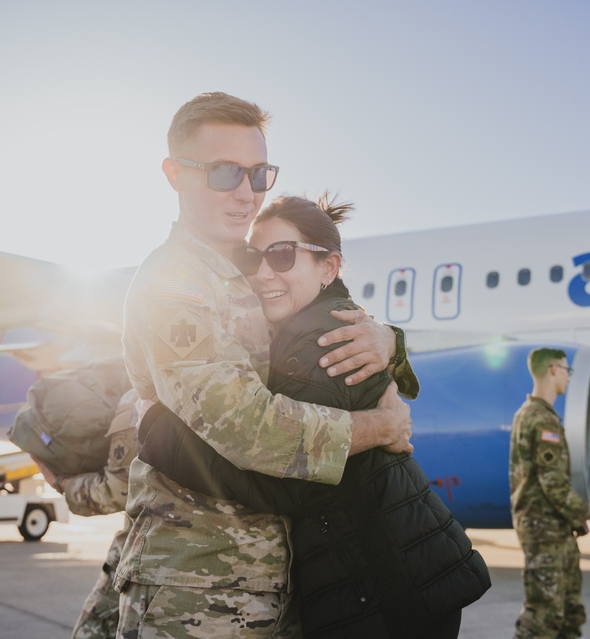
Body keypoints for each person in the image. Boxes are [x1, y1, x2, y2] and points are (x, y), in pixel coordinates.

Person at [115, 92, 414, 637]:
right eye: (226, 173)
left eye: (259, 174)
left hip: (267, 580)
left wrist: (388, 339)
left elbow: (323, 328)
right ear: (175, 174)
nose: (246, 193)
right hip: (196, 583)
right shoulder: (176, 283)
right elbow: (246, 425)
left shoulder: (247, 273)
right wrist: (380, 427)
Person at [135, 194, 490, 638]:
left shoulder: (320, 347)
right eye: (252, 257)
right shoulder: (326, 327)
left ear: (328, 267)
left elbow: (280, 480)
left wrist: (157, 432)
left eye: (283, 256)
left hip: (386, 586)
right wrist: (392, 340)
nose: (263, 273)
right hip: (396, 573)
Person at [509, 348, 590, 639]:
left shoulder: (530, 414)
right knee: (543, 617)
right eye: (567, 372)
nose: (568, 379)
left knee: (570, 614)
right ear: (554, 370)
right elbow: (552, 481)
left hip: (556, 529)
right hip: (544, 533)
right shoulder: (542, 420)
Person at [35, 387, 140, 639]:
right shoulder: (244, 380)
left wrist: (62, 484)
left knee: (92, 631)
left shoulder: (145, 395)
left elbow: (118, 490)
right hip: (242, 562)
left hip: (150, 558)